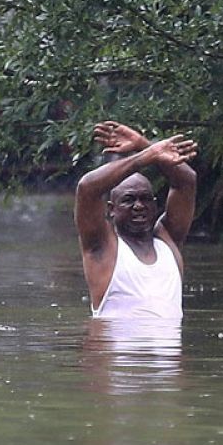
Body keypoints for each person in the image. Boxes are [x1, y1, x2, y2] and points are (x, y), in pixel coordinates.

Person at [75, 121, 199, 318]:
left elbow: (186, 182)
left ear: (155, 205)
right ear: (111, 209)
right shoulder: (103, 246)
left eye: (145, 199)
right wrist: (145, 157)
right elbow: (87, 188)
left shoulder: (169, 240)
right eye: (129, 200)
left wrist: (144, 144)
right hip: (120, 350)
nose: (139, 206)